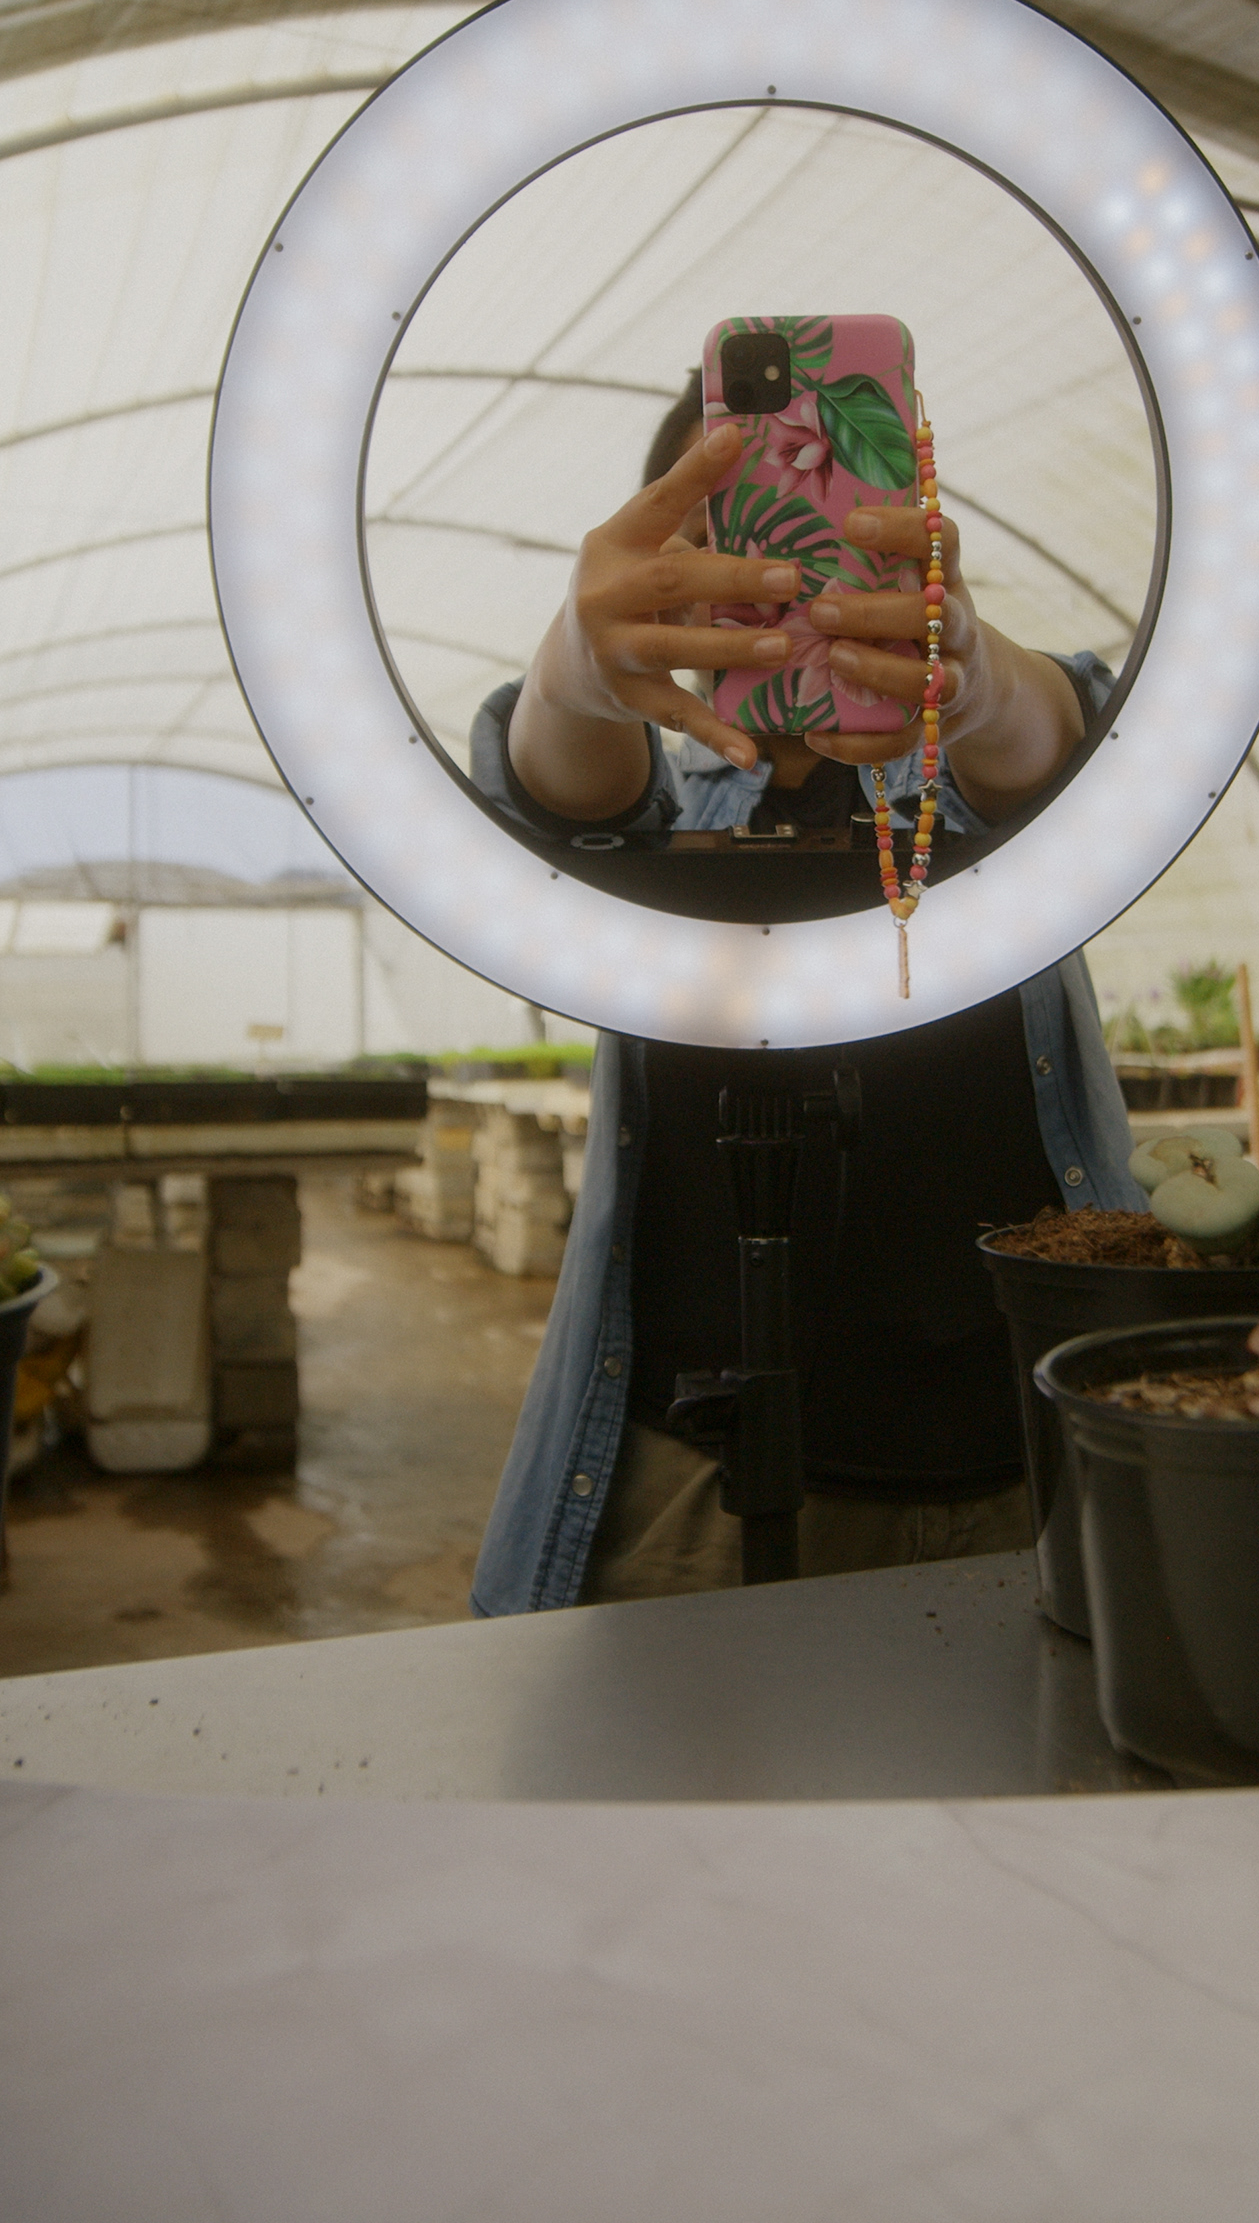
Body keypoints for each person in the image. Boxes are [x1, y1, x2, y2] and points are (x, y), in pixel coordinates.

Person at [464, 377, 1141, 1613]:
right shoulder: (661, 812)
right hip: (695, 1500)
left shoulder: (979, 768)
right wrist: (573, 673)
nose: (773, 567)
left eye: (817, 516)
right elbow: (567, 793)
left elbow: (1058, 750)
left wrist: (975, 678)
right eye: (715, 532)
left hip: (1036, 1479)